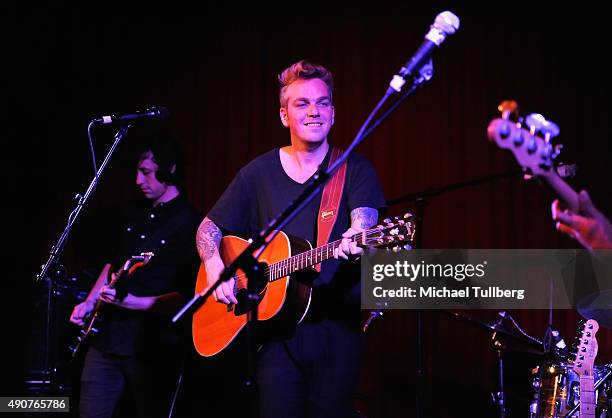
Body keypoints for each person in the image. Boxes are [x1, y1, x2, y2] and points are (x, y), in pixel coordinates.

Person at [196, 59, 386, 418]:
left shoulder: (355, 169)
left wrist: (358, 238)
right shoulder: (256, 173)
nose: (314, 112)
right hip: (273, 337)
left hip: (335, 330)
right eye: (302, 104)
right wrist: (212, 263)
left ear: (333, 111)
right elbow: (209, 228)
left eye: (323, 102)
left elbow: (366, 228)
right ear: (284, 115)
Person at [69, 133, 202, 418]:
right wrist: (90, 302)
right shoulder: (131, 213)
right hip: (107, 339)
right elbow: (111, 267)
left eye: (146, 173)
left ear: (170, 169)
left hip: (152, 345)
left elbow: (187, 296)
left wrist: (132, 302)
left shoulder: (191, 224)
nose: (138, 181)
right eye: (137, 172)